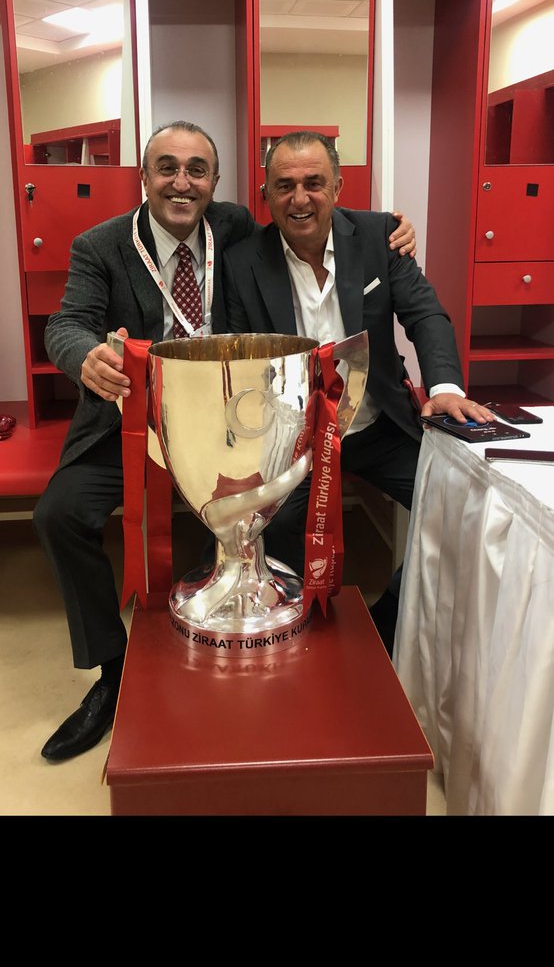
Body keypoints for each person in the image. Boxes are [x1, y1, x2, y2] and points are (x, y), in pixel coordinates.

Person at [33, 118, 418, 763]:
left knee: (284, 513)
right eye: (167, 168)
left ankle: (290, 644)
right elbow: (66, 324)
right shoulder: (100, 246)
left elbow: (315, 216)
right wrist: (85, 356)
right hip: (136, 424)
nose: (181, 184)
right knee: (59, 515)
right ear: (143, 177)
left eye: (197, 170)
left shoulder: (235, 226)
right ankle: (111, 673)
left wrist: (389, 229)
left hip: (235, 425)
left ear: (215, 182)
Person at [222, 130, 494, 655]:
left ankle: (384, 627)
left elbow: (424, 314)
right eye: (284, 185)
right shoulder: (242, 261)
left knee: (456, 504)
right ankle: (301, 634)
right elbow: (238, 357)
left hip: (376, 424)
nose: (300, 198)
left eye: (314, 182)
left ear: (338, 187)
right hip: (294, 437)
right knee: (276, 527)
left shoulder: (380, 236)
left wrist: (444, 386)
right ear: (265, 193)